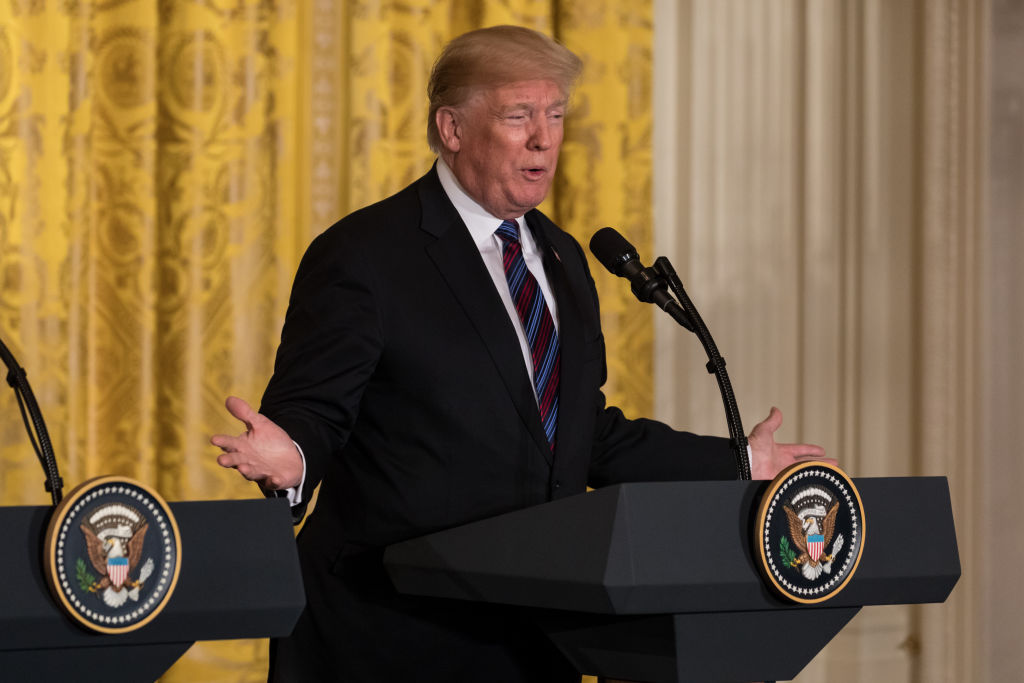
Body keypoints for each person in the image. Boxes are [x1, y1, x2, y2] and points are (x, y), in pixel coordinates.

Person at [211, 25, 827, 683]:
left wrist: (738, 461)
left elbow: (583, 437)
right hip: (388, 633)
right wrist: (294, 455)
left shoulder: (563, 258)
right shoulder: (366, 255)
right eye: (518, 116)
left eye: (555, 115)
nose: (544, 137)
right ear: (451, 129)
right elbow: (314, 412)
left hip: (534, 631)